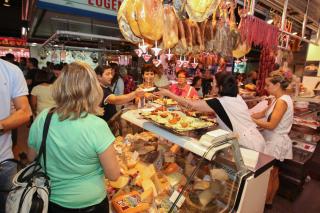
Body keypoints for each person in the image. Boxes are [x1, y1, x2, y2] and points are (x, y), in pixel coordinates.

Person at [27, 61, 120, 212]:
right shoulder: (97, 125)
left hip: (52, 201)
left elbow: (32, 157)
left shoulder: (44, 118)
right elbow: (113, 175)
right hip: (92, 203)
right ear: (93, 89)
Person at [157, 71, 265, 152]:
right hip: (254, 138)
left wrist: (169, 93)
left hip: (247, 144)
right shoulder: (236, 97)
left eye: (214, 83)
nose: (212, 85)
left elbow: (191, 105)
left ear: (220, 87)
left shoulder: (221, 102)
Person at [251, 70, 293, 205]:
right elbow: (261, 114)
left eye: (268, 85)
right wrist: (245, 115)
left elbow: (271, 125)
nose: (265, 88)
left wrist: (253, 121)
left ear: (277, 85)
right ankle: (269, 201)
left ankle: (263, 204)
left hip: (276, 143)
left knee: (269, 175)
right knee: (274, 174)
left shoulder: (282, 102)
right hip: (273, 141)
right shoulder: (277, 99)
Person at [0, 59, 31, 213]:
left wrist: (1, 125)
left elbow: (25, 112)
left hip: (5, 160)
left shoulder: (10, 70)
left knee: (10, 207)